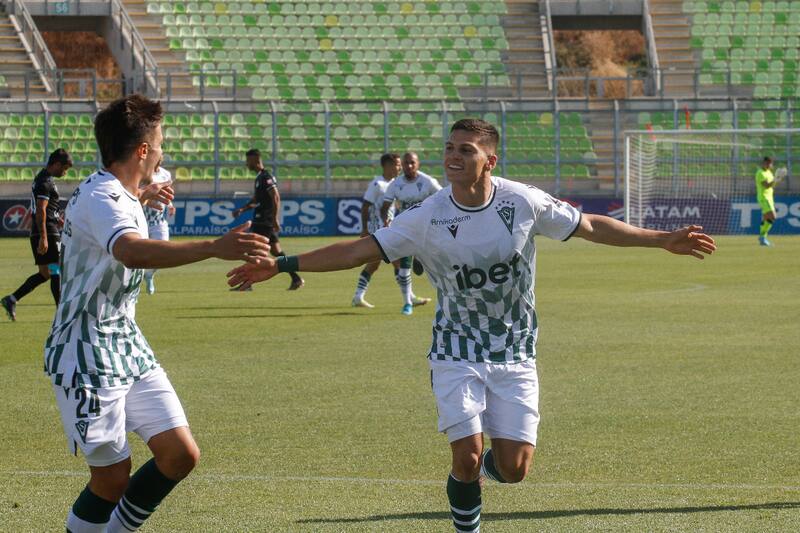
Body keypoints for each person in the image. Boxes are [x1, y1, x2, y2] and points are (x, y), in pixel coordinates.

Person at [226, 118, 717, 533]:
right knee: (465, 455)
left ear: (490, 161)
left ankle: (487, 468)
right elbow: (359, 249)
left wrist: (660, 239)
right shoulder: (427, 215)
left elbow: (590, 226)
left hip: (516, 350)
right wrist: (284, 262)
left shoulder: (522, 202)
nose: (452, 157)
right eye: (449, 148)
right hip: (455, 348)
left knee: (514, 470)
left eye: (466, 150)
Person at [45, 94, 270, 533]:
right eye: (160, 143)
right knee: (110, 479)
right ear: (143, 150)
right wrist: (211, 248)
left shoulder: (119, 192)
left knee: (179, 454)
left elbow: (119, 215)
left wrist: (143, 195)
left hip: (126, 342)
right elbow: (129, 250)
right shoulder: (103, 196)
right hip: (86, 352)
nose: (163, 151)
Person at [1, 149, 72, 321]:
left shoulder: (43, 179)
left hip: (43, 230)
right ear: (55, 164)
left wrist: (58, 221)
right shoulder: (45, 182)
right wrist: (44, 236)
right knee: (56, 269)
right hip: (46, 231)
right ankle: (62, 313)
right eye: (64, 168)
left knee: (45, 273)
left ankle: (11, 299)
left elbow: (46, 210)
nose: (65, 172)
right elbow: (40, 210)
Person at [232, 149, 304, 290]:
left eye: (248, 160)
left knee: (253, 252)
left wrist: (275, 219)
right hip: (264, 220)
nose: (246, 164)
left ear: (256, 159)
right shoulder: (259, 178)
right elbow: (256, 200)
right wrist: (242, 209)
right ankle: (296, 279)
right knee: (276, 252)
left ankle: (247, 284)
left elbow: (275, 197)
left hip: (264, 220)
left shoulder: (266, 177)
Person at [379, 151, 441, 315]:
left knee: (437, 265)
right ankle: (407, 303)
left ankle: (420, 259)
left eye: (412, 163)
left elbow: (444, 198)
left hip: (427, 229)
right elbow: (385, 206)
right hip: (405, 229)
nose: (409, 166)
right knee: (404, 267)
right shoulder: (396, 183)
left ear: (418, 164)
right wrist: (386, 220)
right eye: (406, 163)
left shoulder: (428, 181)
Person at [351, 152, 401, 308]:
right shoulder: (377, 184)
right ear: (387, 166)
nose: (399, 167)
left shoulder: (394, 183)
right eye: (397, 164)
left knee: (374, 265)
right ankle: (409, 297)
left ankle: (358, 296)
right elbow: (365, 206)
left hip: (387, 228)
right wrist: (365, 228)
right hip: (377, 229)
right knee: (399, 261)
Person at [142, 158, 175, 294]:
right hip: (141, 220)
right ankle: (133, 287)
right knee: (137, 254)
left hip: (158, 220)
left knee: (162, 253)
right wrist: (149, 202)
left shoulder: (165, 174)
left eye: (160, 158)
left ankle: (149, 275)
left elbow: (167, 192)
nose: (158, 160)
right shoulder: (143, 174)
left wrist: (171, 205)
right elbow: (136, 193)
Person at [755, 156, 776, 246]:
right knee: (773, 216)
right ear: (763, 163)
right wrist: (777, 179)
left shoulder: (769, 173)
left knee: (766, 218)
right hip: (764, 198)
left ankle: (762, 238)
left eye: (769, 163)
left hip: (770, 198)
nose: (768, 165)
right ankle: (762, 236)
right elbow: (766, 185)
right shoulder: (760, 173)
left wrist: (777, 179)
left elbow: (772, 185)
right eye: (767, 163)